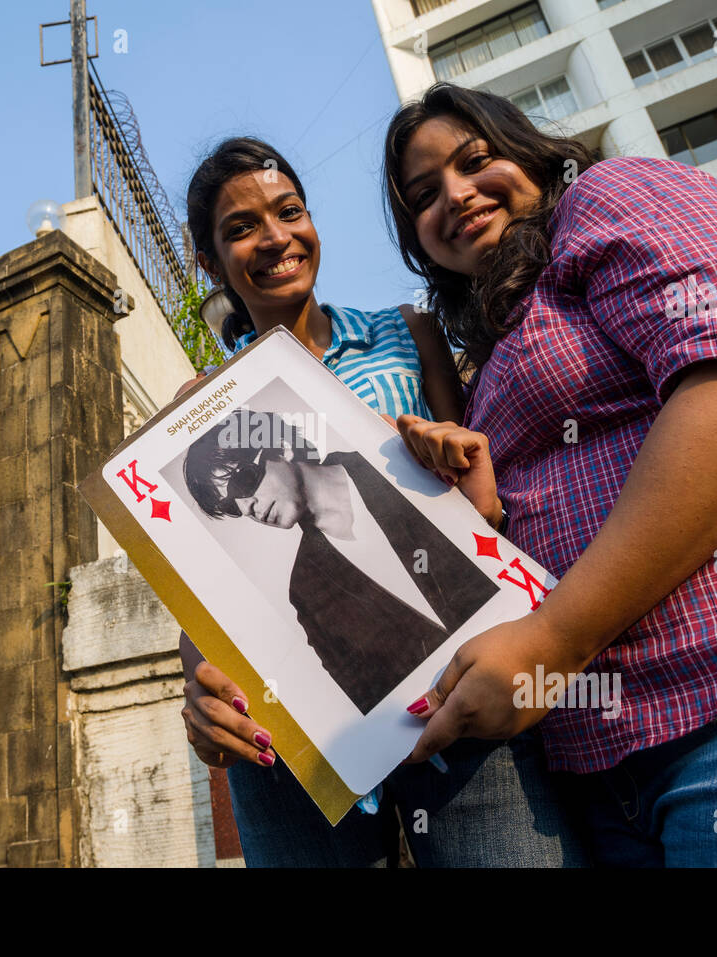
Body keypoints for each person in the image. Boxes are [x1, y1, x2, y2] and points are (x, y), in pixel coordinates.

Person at [382, 82, 717, 866]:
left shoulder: (610, 194)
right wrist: (487, 513)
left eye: (476, 160)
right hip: (614, 765)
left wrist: (553, 639)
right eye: (424, 196)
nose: (456, 196)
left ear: (533, 156)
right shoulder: (495, 347)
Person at [175, 136, 588, 866]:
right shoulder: (197, 409)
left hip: (460, 689)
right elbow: (206, 594)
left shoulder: (409, 332)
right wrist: (199, 686)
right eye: (240, 229)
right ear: (211, 263)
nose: (274, 238)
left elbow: (486, 498)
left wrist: (468, 484)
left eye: (288, 211)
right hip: (302, 744)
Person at [183, 407, 498, 715]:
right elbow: (369, 706)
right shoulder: (305, 592)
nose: (245, 506)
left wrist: (483, 514)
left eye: (243, 481)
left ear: (283, 448)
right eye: (231, 505)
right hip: (459, 736)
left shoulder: (393, 464)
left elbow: (496, 557)